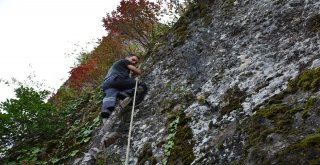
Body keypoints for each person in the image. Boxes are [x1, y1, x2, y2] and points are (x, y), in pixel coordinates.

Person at [101, 54, 147, 118]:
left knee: (110, 96)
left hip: (106, 84)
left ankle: (106, 110)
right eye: (133, 60)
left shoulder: (117, 67)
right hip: (118, 78)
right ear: (127, 58)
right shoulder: (124, 61)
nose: (134, 62)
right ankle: (126, 93)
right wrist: (140, 71)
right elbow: (136, 70)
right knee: (142, 85)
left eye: (135, 62)